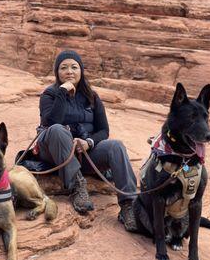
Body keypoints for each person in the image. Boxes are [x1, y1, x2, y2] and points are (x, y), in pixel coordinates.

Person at [36, 50, 137, 231]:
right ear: (57, 72)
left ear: (81, 71)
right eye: (63, 68)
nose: (69, 71)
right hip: (55, 154)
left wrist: (89, 142)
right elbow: (50, 122)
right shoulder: (49, 95)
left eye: (74, 67)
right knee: (57, 130)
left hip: (85, 153)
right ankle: (77, 186)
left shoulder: (92, 96)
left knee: (116, 146)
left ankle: (129, 205)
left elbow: (104, 130)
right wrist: (62, 92)